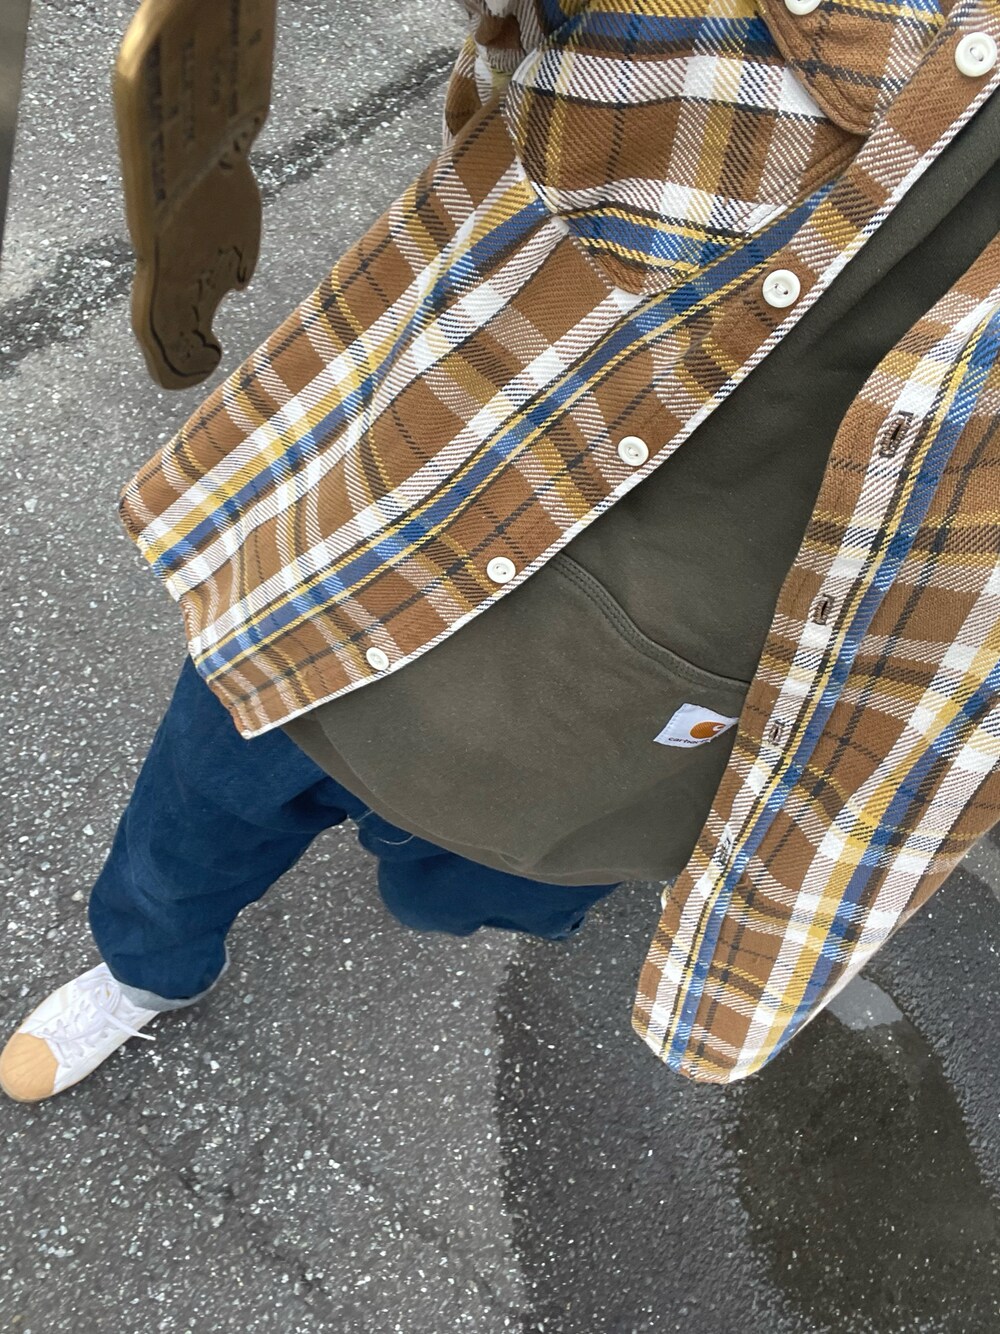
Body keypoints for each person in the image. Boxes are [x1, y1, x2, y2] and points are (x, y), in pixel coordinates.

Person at [4, 0, 1000, 1102]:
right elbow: (523, 58)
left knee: (460, 889)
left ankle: (363, 879)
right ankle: (145, 969)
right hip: (422, 489)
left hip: (693, 693)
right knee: (206, 789)